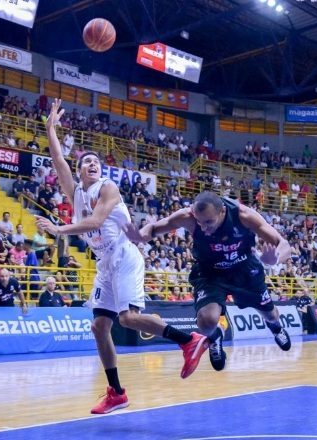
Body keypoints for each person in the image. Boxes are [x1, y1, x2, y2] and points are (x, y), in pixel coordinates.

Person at [34, 99, 208, 415]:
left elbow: (96, 221)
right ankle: (116, 393)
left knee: (127, 319)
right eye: (86, 161)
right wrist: (50, 129)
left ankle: (188, 340)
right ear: (79, 170)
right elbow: (58, 159)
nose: (92, 164)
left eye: (95, 161)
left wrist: (59, 229)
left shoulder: (108, 187)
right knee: (100, 327)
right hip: (105, 262)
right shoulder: (75, 192)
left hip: (125, 255)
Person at [125, 190, 294, 373]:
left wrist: (275, 259)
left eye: (208, 222)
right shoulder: (187, 217)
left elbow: (284, 245)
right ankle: (215, 337)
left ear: (222, 212)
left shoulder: (243, 215)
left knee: (271, 315)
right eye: (199, 222)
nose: (203, 228)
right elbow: (154, 228)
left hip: (243, 270)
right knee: (206, 322)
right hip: (210, 273)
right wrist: (141, 236)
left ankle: (276, 328)